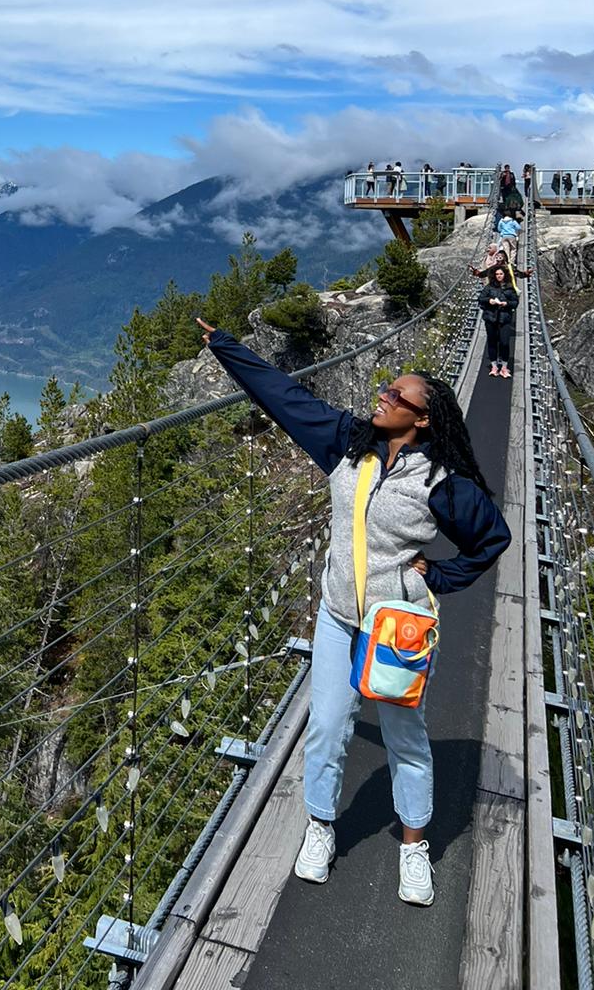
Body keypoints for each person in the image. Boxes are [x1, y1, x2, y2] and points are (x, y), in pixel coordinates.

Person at [195, 316, 510, 908]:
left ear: (422, 419)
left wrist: (438, 574)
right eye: (386, 388)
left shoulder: (444, 482)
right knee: (327, 729)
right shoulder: (346, 442)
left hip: (395, 627)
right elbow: (285, 397)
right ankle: (320, 826)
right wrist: (225, 346)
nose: (382, 396)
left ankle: (413, 846)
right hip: (339, 617)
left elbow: (492, 539)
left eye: (397, 395)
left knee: (405, 736)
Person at [479, 266, 518, 377]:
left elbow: (515, 302)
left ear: (504, 274)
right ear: (494, 276)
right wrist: (489, 300)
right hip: (491, 318)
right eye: (497, 274)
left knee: (505, 343)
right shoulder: (489, 287)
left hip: (504, 318)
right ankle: (494, 366)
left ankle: (504, 367)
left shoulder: (510, 288)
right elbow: (481, 298)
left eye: (501, 274)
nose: (499, 276)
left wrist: (507, 304)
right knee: (492, 342)